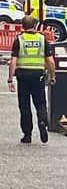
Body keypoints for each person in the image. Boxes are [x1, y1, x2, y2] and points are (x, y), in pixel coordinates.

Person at [7, 16, 56, 144]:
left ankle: (27, 135)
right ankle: (42, 121)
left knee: (24, 106)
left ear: (22, 26)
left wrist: (10, 79)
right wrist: (52, 76)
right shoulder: (42, 39)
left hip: (23, 75)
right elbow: (50, 60)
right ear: (34, 25)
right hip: (38, 75)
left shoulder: (19, 39)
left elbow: (13, 61)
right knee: (40, 102)